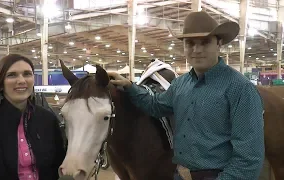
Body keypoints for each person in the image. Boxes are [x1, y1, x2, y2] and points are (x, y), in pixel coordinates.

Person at [108, 11, 264, 180]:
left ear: (219, 43)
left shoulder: (240, 89)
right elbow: (155, 105)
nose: (196, 50)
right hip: (181, 175)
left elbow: (249, 158)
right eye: (190, 43)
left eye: (205, 42)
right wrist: (130, 87)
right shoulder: (180, 84)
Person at [0, 54, 66, 180]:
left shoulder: (48, 120)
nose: (21, 80)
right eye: (12, 75)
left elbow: (58, 165)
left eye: (27, 74)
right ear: (0, 83)